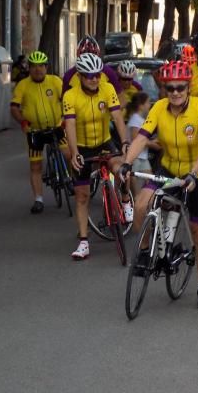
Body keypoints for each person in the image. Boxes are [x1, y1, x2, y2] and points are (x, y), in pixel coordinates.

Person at [119, 60, 198, 308]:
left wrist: (194, 174)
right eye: (170, 88)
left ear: (188, 88)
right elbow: (142, 138)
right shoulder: (159, 108)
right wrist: (126, 163)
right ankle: (145, 251)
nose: (175, 92)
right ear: (164, 88)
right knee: (141, 205)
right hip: (170, 169)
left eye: (180, 88)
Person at [63, 52, 131, 260]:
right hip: (82, 146)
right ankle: (83, 242)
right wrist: (74, 153)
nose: (94, 79)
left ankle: (126, 199)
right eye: (89, 76)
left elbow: (117, 117)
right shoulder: (70, 96)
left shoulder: (108, 88)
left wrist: (126, 142)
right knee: (82, 195)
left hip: (103, 142)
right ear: (81, 77)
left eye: (97, 75)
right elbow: (70, 125)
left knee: (122, 169)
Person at [9, 50, 66, 214]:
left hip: (56, 126)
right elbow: (14, 107)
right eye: (34, 67)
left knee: (69, 154)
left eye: (41, 66)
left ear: (46, 67)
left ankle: (70, 180)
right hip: (34, 131)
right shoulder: (23, 85)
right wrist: (22, 121)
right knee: (35, 166)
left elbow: (67, 100)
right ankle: (38, 199)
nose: (37, 70)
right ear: (30, 68)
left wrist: (65, 118)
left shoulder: (55, 81)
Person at [125, 92, 159, 189]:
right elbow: (136, 138)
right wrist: (153, 144)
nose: (150, 105)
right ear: (141, 106)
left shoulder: (140, 119)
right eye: (148, 103)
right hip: (135, 157)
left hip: (142, 157)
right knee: (135, 186)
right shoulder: (136, 119)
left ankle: (146, 200)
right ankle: (134, 201)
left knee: (151, 181)